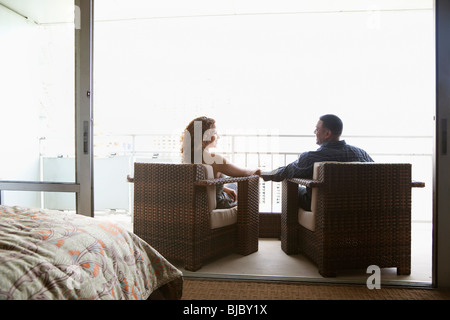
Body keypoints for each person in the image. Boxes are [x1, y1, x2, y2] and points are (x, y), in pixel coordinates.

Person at [261, 114, 374, 211]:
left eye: (317, 129)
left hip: (324, 207)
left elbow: (287, 172)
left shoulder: (311, 157)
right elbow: (376, 173)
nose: (314, 132)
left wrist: (262, 173)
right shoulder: (361, 154)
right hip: (357, 207)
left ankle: (292, 234)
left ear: (327, 133)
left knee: (294, 191)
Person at [181, 116, 261, 209]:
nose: (218, 137)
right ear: (207, 137)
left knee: (230, 186)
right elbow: (246, 173)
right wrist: (257, 170)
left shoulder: (187, 158)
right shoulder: (215, 160)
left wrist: (225, 189)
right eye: (215, 133)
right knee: (235, 185)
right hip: (217, 205)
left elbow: (200, 185)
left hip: (193, 207)